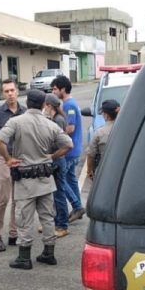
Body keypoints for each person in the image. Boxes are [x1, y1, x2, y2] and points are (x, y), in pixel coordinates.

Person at [0, 89, 73, 270]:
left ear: (28, 102)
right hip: (45, 178)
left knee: (24, 219)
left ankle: (24, 257)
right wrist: (51, 157)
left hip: (26, 179)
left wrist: (8, 159)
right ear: (44, 104)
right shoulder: (50, 124)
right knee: (47, 217)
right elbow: (68, 144)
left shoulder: (16, 122)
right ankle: (49, 253)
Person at [0, 79, 26, 252]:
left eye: (12, 90)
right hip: (3, 158)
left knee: (18, 199)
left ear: (17, 91)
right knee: (3, 199)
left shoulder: (25, 112)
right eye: (6, 91)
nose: (10, 94)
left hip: (20, 159)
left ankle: (13, 233)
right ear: (3, 94)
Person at [50, 75, 86, 223]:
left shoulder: (69, 105)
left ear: (63, 89)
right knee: (71, 180)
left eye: (55, 89)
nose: (53, 92)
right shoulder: (70, 103)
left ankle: (77, 206)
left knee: (61, 180)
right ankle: (78, 207)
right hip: (74, 149)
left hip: (70, 150)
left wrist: (56, 137)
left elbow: (70, 128)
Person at [43, 93, 70, 238]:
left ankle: (62, 225)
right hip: (55, 159)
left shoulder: (58, 120)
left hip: (58, 160)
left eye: (45, 106)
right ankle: (55, 221)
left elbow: (59, 141)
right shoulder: (54, 118)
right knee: (53, 193)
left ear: (49, 106)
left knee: (59, 193)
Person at [86, 99, 119, 180]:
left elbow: (91, 155)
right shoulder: (129, 128)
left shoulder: (100, 133)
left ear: (106, 115)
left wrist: (89, 171)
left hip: (105, 170)